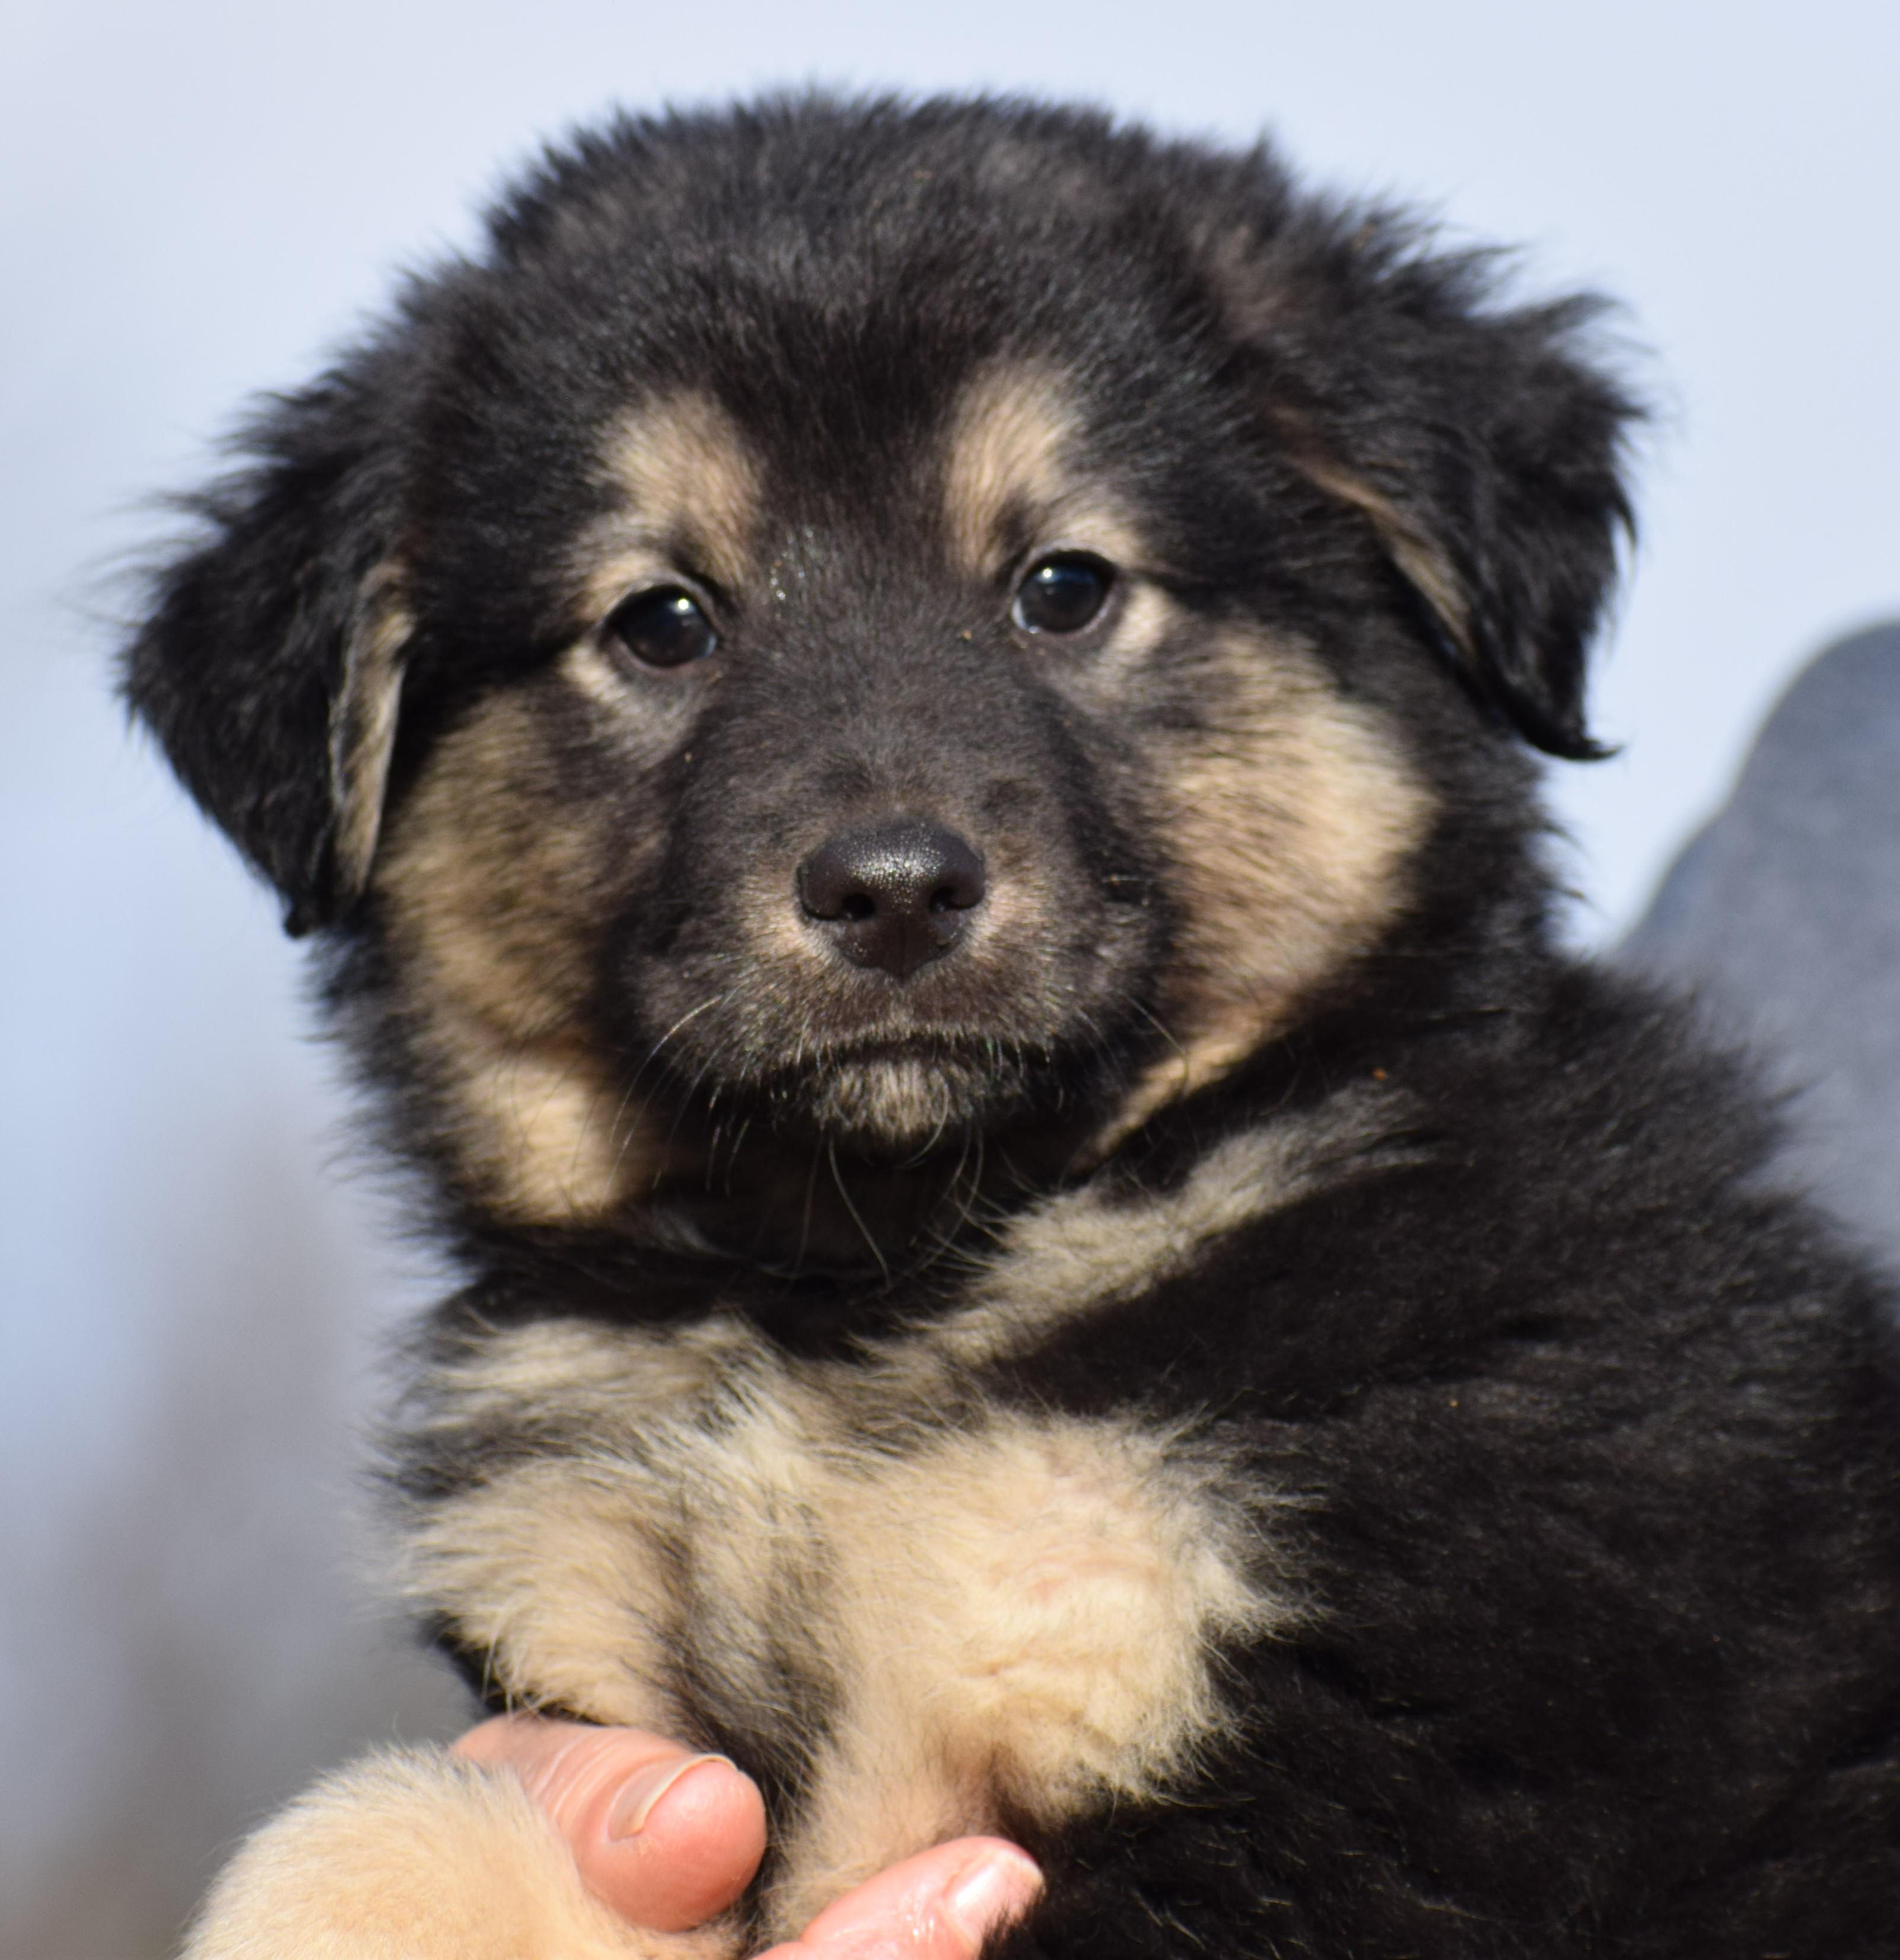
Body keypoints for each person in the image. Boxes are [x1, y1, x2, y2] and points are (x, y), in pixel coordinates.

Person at [453, 623, 1899, 1957]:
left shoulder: (1483, 1347)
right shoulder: (1853, 784)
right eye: (664, 627)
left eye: (1065, 593)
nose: (888, 844)